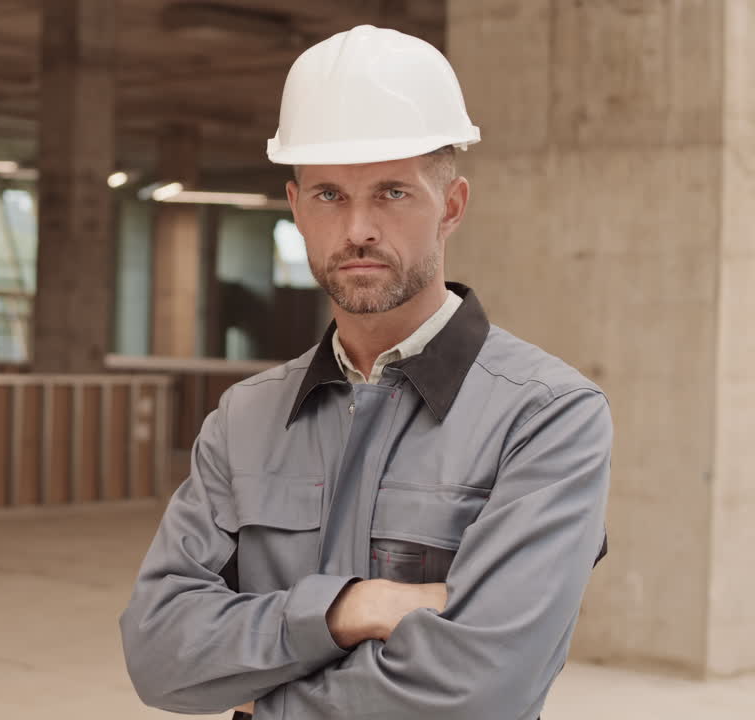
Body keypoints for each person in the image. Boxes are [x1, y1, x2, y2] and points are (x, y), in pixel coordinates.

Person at [118, 24, 611, 720]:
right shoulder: (246, 418)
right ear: (296, 209)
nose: (357, 230)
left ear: (451, 207)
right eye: (329, 195)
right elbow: (158, 652)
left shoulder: (546, 415)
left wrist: (267, 704)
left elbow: (481, 689)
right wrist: (349, 608)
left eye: (391, 193)